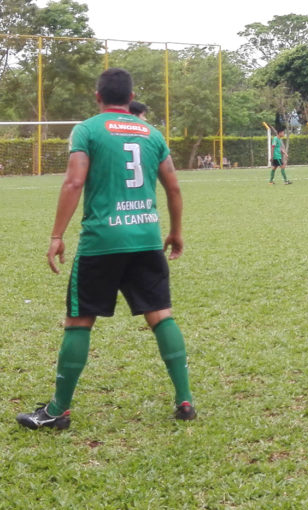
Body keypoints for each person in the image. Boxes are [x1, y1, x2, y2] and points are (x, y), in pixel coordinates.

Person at [16, 68, 196, 430]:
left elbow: (74, 182)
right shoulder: (152, 133)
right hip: (146, 238)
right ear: (131, 98)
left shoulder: (87, 129)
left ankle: (57, 411)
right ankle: (185, 400)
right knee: (161, 315)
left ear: (97, 96)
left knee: (79, 320)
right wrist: (176, 231)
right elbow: (174, 188)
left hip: (102, 241)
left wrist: (56, 235)